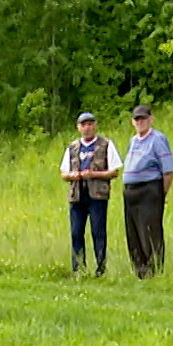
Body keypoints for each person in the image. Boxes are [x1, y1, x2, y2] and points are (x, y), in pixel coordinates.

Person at [59, 112, 121, 277]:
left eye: (90, 124)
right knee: (76, 232)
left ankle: (101, 268)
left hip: (97, 196)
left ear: (95, 125)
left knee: (98, 232)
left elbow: (114, 172)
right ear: (78, 127)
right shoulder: (72, 147)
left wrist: (94, 174)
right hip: (77, 195)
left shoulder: (106, 144)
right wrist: (75, 176)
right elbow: (63, 173)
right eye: (84, 124)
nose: (87, 127)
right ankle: (78, 268)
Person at [121, 104, 173, 278]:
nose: (140, 122)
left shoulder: (157, 139)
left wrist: (161, 194)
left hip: (149, 190)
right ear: (132, 122)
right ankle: (140, 272)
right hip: (131, 191)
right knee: (133, 233)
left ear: (151, 119)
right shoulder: (133, 141)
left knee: (149, 232)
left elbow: (168, 170)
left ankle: (155, 271)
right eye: (137, 119)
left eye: (143, 119)